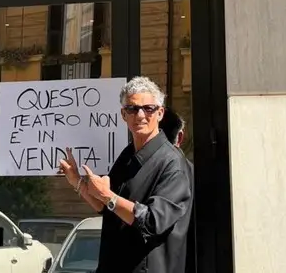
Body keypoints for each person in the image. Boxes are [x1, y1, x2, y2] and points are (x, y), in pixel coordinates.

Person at [59, 77, 193, 273]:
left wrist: (109, 197)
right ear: (123, 114)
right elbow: (106, 206)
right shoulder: (128, 154)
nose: (140, 115)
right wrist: (77, 181)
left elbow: (152, 222)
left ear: (160, 113)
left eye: (148, 109)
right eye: (132, 109)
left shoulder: (172, 162)